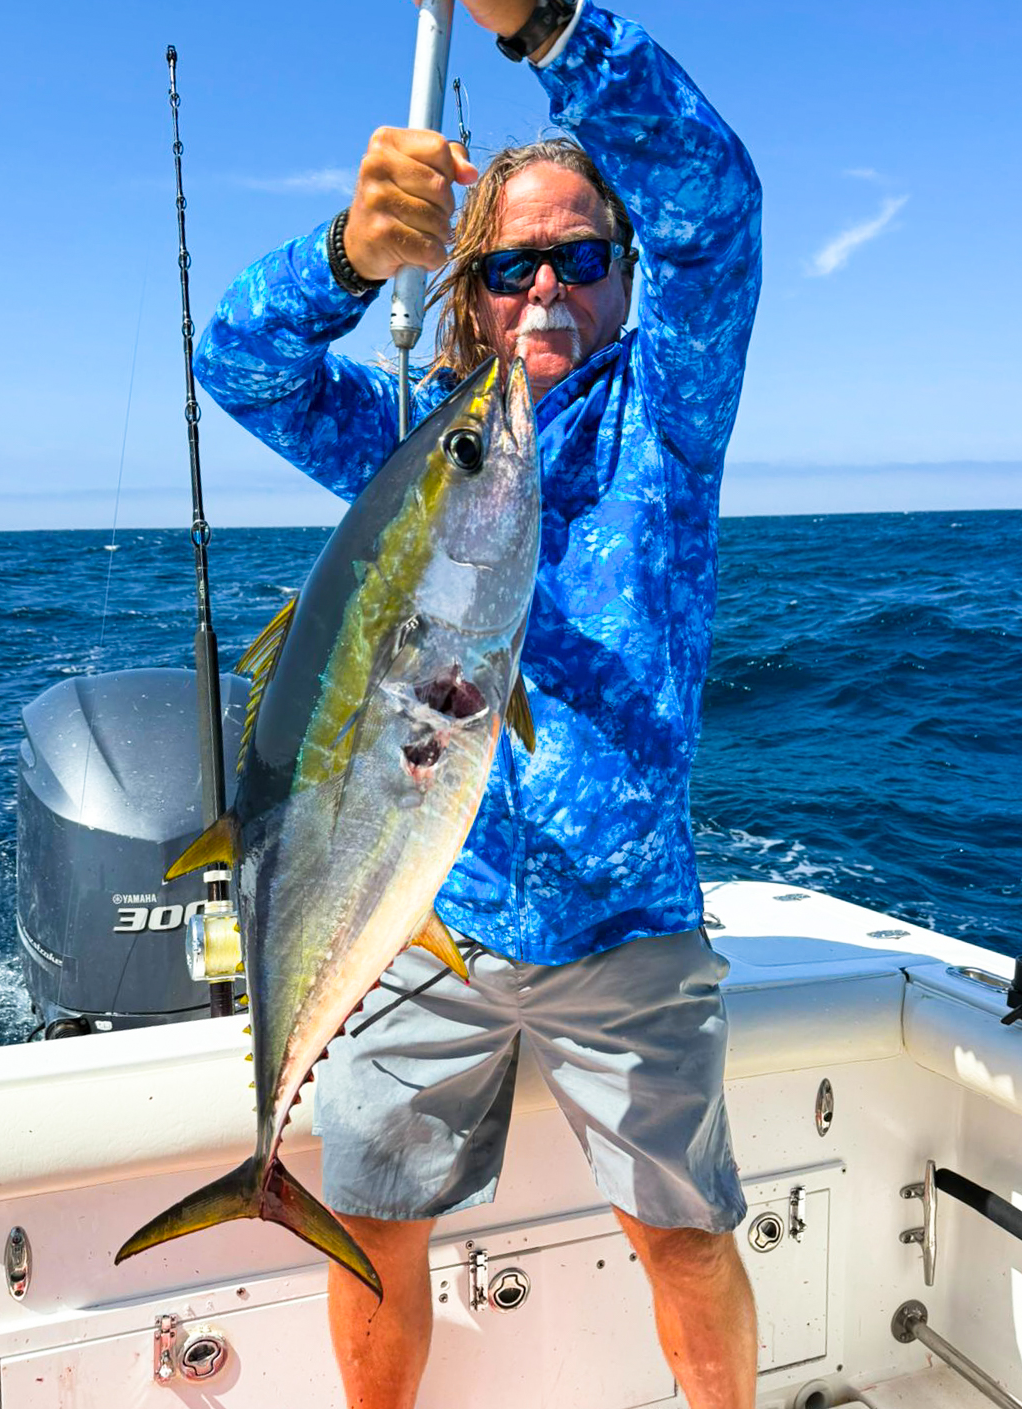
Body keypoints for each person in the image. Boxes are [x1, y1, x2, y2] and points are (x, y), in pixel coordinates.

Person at [195, 1, 762, 1404]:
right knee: (373, 1229)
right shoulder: (418, 443)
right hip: (409, 910)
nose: (547, 290)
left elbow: (716, 206)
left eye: (582, 256)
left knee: (685, 1238)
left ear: (623, 274)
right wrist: (346, 255)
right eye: (510, 265)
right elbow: (239, 363)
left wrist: (551, 24)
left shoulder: (666, 417)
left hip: (625, 928)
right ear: (468, 290)